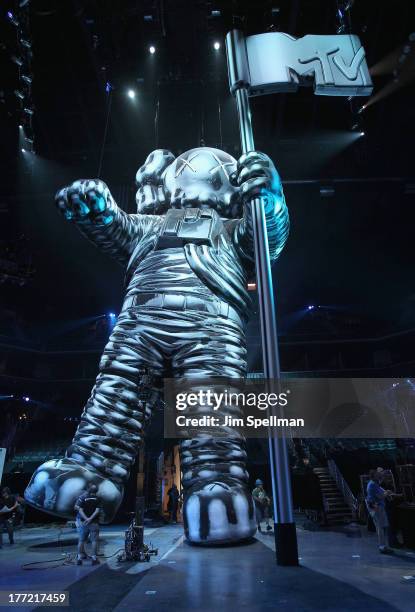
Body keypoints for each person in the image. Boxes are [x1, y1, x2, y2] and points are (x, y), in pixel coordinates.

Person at [366, 469, 393, 554]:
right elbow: (380, 497)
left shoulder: (375, 483)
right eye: (377, 474)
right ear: (373, 476)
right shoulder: (372, 484)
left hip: (377, 507)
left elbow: (380, 490)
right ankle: (382, 547)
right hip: (376, 507)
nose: (379, 475)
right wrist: (387, 493)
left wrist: (386, 493)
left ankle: (384, 545)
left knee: (383, 526)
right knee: (380, 527)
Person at [74, 484, 101, 565]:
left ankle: (79, 558)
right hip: (94, 522)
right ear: (97, 490)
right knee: (94, 541)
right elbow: (97, 511)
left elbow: (79, 509)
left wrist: (86, 519)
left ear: (88, 490)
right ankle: (94, 558)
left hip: (83, 522)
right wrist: (90, 519)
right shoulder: (98, 499)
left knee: (81, 540)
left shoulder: (83, 498)